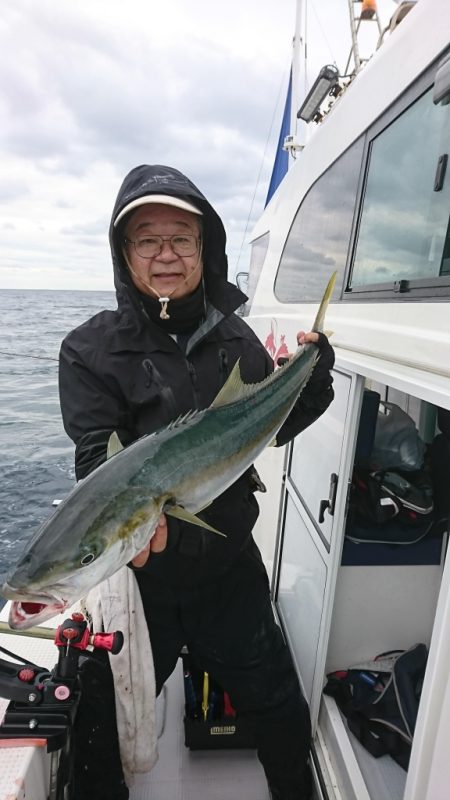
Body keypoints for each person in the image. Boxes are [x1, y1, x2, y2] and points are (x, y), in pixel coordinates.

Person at [59, 164, 335, 800]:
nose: (165, 255)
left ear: (204, 249)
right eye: (147, 239)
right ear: (122, 252)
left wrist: (311, 377)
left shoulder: (236, 337)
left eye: (181, 239)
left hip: (228, 569)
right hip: (141, 581)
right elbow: (95, 461)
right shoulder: (89, 349)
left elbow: (270, 429)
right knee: (98, 728)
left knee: (280, 714)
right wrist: (131, 532)